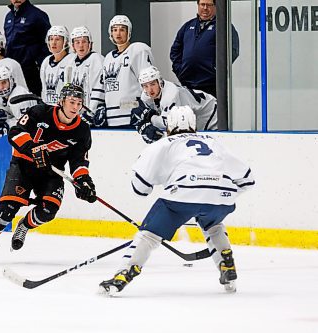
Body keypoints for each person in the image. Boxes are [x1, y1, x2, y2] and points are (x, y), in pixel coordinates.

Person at [98, 105, 254, 296]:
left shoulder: (163, 143)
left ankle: (123, 273)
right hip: (223, 193)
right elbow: (248, 179)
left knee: (148, 235)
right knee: (213, 225)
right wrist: (220, 192)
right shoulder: (213, 142)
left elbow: (140, 187)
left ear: (169, 125)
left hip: (184, 192)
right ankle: (227, 265)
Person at [0, 83, 97, 262]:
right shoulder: (38, 113)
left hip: (51, 172)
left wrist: (83, 181)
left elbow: (79, 160)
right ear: (61, 101)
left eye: (79, 103)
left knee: (48, 210)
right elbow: (15, 132)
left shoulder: (82, 130)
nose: (75, 107)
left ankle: (24, 225)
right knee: (6, 210)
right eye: (72, 102)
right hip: (24, 165)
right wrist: (32, 149)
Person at [170, 0, 240, 97]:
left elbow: (233, 50)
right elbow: (175, 50)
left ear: (216, 6)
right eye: (202, 4)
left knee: (212, 112)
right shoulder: (188, 26)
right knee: (188, 112)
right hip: (188, 84)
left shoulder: (223, 26)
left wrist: (216, 68)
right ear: (198, 5)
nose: (205, 8)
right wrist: (179, 70)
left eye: (209, 5)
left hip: (211, 85)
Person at [131, 65, 217, 144]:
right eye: (145, 86)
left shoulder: (171, 94)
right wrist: (143, 124)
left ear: (159, 82)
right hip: (196, 113)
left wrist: (150, 118)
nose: (150, 90)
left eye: (153, 84)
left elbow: (168, 123)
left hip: (210, 111)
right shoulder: (146, 95)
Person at [97, 15, 155, 128]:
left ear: (129, 32)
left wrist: (144, 108)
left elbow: (149, 83)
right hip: (111, 119)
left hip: (133, 117)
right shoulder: (108, 58)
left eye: (122, 29)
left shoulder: (138, 50)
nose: (118, 33)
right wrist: (101, 107)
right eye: (114, 30)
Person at [4, 0, 51, 96]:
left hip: (31, 71)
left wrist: (42, 66)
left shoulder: (38, 15)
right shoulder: (8, 17)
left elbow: (47, 44)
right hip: (12, 70)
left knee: (33, 103)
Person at [66, 26, 105, 123]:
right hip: (76, 114)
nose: (81, 45)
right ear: (73, 45)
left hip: (91, 115)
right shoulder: (70, 63)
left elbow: (99, 88)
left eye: (84, 42)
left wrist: (91, 111)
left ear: (90, 44)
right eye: (77, 42)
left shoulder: (97, 59)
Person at [40, 26, 74, 105]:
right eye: (51, 39)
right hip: (49, 109)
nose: (53, 43)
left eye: (57, 39)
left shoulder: (72, 60)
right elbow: (44, 89)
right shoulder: (46, 62)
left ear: (65, 42)